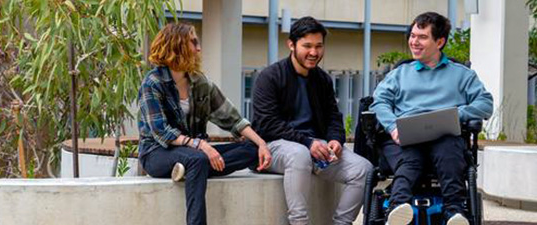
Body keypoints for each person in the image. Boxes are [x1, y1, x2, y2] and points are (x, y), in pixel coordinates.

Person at [137, 22, 272, 225]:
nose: (199, 48)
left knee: (250, 150)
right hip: (156, 153)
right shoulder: (153, 83)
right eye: (193, 42)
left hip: (194, 154)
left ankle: (186, 171)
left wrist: (261, 144)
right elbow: (161, 131)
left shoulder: (200, 83)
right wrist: (201, 146)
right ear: (176, 45)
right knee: (197, 160)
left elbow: (232, 118)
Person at [370, 12, 493, 225]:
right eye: (413, 35)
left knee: (449, 151)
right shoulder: (399, 74)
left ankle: (455, 214)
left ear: (440, 42)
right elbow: (378, 102)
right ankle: (397, 209)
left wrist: (455, 115)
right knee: (411, 158)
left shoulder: (462, 75)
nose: (414, 42)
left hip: (445, 136)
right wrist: (392, 126)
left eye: (422, 37)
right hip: (404, 136)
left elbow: (485, 104)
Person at [251, 16, 373, 225]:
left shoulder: (322, 79)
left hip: (315, 148)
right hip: (275, 146)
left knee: (364, 169)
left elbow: (334, 116)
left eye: (318, 46)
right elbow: (268, 123)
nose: (314, 52)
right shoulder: (270, 77)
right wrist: (308, 142)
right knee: (300, 155)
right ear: (291, 44)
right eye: (307, 46)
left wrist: (336, 140)